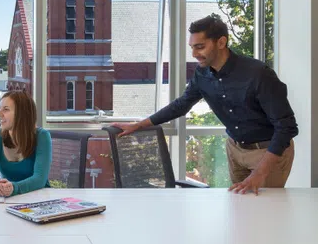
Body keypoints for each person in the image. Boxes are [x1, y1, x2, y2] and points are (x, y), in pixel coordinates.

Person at [113, 15, 298, 195]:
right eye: (192, 47)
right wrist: (140, 124)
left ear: (221, 42)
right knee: (242, 211)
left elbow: (287, 128)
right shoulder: (202, 75)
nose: (194, 54)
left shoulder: (258, 74)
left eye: (200, 47)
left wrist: (260, 173)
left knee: (266, 214)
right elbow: (181, 105)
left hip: (266, 152)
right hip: (235, 148)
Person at [0, 91, 52, 197]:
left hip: (39, 198)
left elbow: (40, 179)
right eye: (0, 108)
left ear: (21, 114)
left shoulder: (42, 136)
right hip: (9, 199)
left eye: (6, 109)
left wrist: (14, 188)